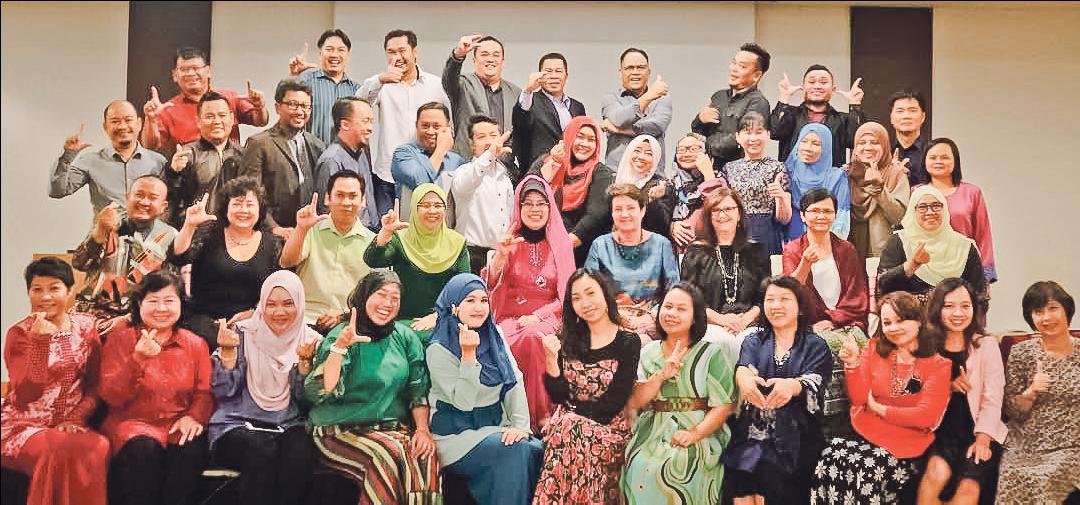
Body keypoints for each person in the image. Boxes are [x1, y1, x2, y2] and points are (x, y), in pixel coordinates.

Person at [303, 271, 440, 504]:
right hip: (337, 430)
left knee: (425, 455)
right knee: (387, 456)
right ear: (364, 296)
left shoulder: (404, 336)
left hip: (388, 429)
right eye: (381, 295)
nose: (388, 303)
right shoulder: (343, 335)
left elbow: (418, 390)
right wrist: (339, 348)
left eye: (395, 298)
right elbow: (323, 389)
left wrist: (422, 430)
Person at [812, 291, 951, 504]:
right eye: (887, 322)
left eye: (900, 320)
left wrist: (880, 409)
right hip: (866, 431)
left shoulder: (939, 365)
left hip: (908, 442)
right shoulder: (874, 348)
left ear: (919, 321)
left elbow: (925, 417)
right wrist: (853, 364)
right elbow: (859, 400)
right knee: (829, 459)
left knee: (868, 471)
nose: (893, 328)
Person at [427, 273, 544, 505]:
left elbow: (514, 380)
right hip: (455, 435)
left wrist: (520, 427)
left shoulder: (494, 334)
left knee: (535, 448)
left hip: (494, 426)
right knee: (515, 450)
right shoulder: (438, 348)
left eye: (483, 300)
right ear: (454, 305)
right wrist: (468, 356)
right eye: (470, 300)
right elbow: (463, 402)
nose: (479, 308)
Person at [99, 270, 212, 505]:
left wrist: (193, 417)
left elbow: (204, 392)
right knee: (144, 452)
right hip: (132, 424)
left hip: (177, 423)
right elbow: (111, 396)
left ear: (181, 304)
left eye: (169, 301)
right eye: (152, 301)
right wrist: (137, 359)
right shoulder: (120, 340)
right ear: (139, 304)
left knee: (190, 449)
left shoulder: (195, 344)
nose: (161, 308)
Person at [1, 258, 109, 505]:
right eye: (37, 289)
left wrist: (76, 418)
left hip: (70, 425)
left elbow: (96, 384)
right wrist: (39, 344)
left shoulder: (85, 326)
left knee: (99, 445)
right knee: (57, 449)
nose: (45, 297)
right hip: (23, 426)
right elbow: (25, 395)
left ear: (70, 292)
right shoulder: (19, 333)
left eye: (54, 288)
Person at [209, 270, 320, 505]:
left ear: (300, 304)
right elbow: (223, 393)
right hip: (236, 424)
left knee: (299, 454)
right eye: (271, 304)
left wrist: (304, 364)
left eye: (288, 304)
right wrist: (227, 354)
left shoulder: (311, 341)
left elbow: (307, 402)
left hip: (288, 423)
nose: (279, 312)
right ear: (261, 304)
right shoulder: (240, 334)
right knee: (262, 450)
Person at [723, 276, 834, 504]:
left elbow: (815, 380)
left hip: (797, 431)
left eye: (784, 299)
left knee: (770, 472)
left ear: (800, 307)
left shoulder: (815, 345)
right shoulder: (754, 340)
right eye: (770, 299)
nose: (776, 305)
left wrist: (793, 386)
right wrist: (743, 379)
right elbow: (744, 368)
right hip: (753, 429)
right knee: (739, 475)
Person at [533, 269, 641, 504]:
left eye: (591, 293)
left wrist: (573, 418)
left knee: (569, 430)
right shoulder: (568, 338)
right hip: (567, 428)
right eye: (576, 298)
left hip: (610, 429)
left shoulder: (628, 341)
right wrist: (551, 359)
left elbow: (616, 399)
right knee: (568, 432)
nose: (585, 303)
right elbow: (558, 395)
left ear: (605, 294)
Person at [623, 283, 735, 505]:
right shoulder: (648, 352)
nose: (672, 313)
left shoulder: (711, 353)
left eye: (681, 309)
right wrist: (660, 376)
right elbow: (635, 401)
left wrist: (695, 433)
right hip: (654, 429)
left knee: (685, 462)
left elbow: (724, 405)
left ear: (695, 317)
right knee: (640, 464)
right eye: (668, 307)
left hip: (701, 429)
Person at [484, 175, 575, 431]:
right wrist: (500, 258)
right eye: (528, 203)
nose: (535, 209)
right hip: (510, 317)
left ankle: (540, 417)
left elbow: (567, 295)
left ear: (550, 207)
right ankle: (510, 417)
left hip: (550, 318)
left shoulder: (561, 244)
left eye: (541, 203)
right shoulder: (509, 242)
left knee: (535, 337)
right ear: (519, 207)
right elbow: (491, 286)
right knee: (505, 339)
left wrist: (539, 316)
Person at [782, 188, 870, 436]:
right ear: (803, 215)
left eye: (827, 211)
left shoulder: (846, 249)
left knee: (864, 348)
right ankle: (830, 420)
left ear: (835, 215)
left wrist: (834, 318)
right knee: (824, 345)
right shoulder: (793, 249)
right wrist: (805, 263)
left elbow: (858, 292)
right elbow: (789, 293)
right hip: (809, 326)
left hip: (846, 321)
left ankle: (862, 415)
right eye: (815, 211)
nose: (821, 216)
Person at [916, 278, 1007, 505]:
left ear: (974, 309)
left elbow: (993, 398)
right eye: (949, 306)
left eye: (965, 306)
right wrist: (947, 387)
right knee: (935, 474)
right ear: (938, 309)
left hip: (978, 431)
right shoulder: (926, 346)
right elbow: (915, 392)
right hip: (940, 432)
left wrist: (983, 439)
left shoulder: (986, 345)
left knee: (968, 489)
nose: (958, 313)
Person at [169, 177, 284, 349]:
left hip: (253, 321)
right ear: (226, 207)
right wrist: (189, 225)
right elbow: (178, 257)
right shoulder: (208, 234)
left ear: (260, 209)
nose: (243, 210)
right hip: (205, 321)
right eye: (237, 204)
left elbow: (276, 288)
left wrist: (255, 313)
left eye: (250, 204)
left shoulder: (271, 243)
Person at [996, 281, 1080, 504]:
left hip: (1073, 443)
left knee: (1050, 476)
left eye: (1053, 308)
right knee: (1016, 475)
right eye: (1038, 311)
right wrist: (1031, 391)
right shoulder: (1021, 352)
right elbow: (1012, 411)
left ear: (1067, 310)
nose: (1046, 318)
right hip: (1028, 443)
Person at [357, 29, 452, 218]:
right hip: (387, 176)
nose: (397, 57)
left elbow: (448, 125)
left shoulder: (435, 85)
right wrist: (380, 80)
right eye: (391, 52)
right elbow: (358, 104)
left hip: (424, 172)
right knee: (386, 230)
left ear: (414, 52)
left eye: (402, 51)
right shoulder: (382, 85)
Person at [363, 183, 470, 334]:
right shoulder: (401, 238)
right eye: (425, 205)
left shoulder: (457, 242)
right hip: (401, 323)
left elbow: (464, 289)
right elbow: (373, 261)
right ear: (415, 208)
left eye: (438, 205)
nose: (432, 211)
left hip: (443, 322)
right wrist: (385, 233)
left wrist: (438, 316)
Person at [71, 174, 177, 323]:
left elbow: (170, 285)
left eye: (152, 198)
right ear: (127, 198)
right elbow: (79, 264)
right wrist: (100, 230)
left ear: (163, 207)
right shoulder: (108, 223)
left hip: (141, 317)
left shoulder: (171, 235)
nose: (144, 202)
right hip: (94, 315)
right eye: (139, 195)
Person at [680, 188, 771, 362]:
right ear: (708, 216)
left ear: (739, 214)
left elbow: (766, 297)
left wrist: (745, 320)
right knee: (721, 340)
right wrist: (722, 320)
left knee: (751, 340)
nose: (722, 215)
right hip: (709, 324)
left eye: (728, 209)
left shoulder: (757, 251)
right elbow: (689, 300)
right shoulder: (695, 253)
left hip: (750, 323)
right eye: (716, 210)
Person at [280, 171, 375, 333]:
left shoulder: (373, 242)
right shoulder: (310, 229)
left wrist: (344, 316)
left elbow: (375, 294)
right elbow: (286, 262)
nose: (346, 202)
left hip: (350, 323)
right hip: (306, 319)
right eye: (340, 195)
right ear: (327, 199)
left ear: (363, 201)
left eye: (353, 196)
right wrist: (301, 229)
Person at [585, 183, 680, 341]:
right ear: (612, 213)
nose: (624, 214)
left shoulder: (661, 244)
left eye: (630, 208)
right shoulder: (600, 245)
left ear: (642, 211)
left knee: (641, 341)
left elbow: (673, 290)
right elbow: (588, 289)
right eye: (618, 209)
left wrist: (651, 316)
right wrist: (614, 314)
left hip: (651, 320)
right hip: (610, 317)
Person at [141, 47, 268, 158]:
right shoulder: (168, 109)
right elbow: (150, 146)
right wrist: (150, 119)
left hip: (231, 169)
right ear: (175, 75)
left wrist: (259, 107)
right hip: (189, 172)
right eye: (184, 69)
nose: (191, 73)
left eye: (195, 68)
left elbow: (261, 121)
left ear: (208, 71)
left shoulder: (229, 98)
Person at [240, 79, 326, 238]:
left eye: (305, 106)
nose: (300, 111)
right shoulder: (259, 143)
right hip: (274, 235)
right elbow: (249, 193)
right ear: (277, 107)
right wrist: (273, 228)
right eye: (293, 105)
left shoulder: (317, 145)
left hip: (311, 233)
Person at [877, 186, 987, 305]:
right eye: (922, 207)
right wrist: (912, 265)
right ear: (913, 211)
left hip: (955, 315)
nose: (930, 212)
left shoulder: (964, 246)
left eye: (936, 206)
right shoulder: (901, 241)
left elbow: (979, 295)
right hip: (911, 315)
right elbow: (883, 285)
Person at [49, 100, 166, 212]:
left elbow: (168, 203)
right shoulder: (90, 161)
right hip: (106, 226)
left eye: (128, 120)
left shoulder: (158, 162)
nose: (122, 126)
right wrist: (68, 155)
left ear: (139, 124)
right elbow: (57, 191)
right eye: (115, 121)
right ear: (105, 127)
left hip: (149, 226)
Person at [533, 116, 614, 265]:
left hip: (580, 253)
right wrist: (553, 163)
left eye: (591, 140)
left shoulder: (601, 173)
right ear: (569, 137)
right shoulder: (547, 161)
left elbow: (596, 215)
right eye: (580, 137)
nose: (585, 144)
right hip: (540, 245)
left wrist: (563, 246)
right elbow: (528, 189)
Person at [917, 138, 998, 283]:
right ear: (924, 161)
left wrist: (986, 276)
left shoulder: (972, 192)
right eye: (933, 157)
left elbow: (983, 235)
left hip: (965, 268)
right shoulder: (916, 192)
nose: (938, 161)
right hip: (926, 270)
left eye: (945, 157)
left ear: (955, 161)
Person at [163, 91, 244, 227]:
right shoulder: (186, 154)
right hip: (196, 230)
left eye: (222, 115)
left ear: (231, 118)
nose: (217, 121)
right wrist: (173, 173)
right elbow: (169, 200)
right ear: (198, 121)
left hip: (236, 230)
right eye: (209, 116)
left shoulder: (243, 154)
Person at [690, 42, 772, 172]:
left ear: (756, 75)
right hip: (707, 167)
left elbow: (741, 140)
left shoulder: (758, 102)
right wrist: (699, 120)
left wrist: (704, 147)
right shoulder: (718, 96)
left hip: (738, 171)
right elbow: (697, 133)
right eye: (734, 63)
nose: (733, 69)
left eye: (742, 66)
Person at [442, 34, 522, 167]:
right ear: (474, 60)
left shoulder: (516, 93)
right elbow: (448, 78)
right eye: (484, 54)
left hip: (503, 167)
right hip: (467, 163)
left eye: (496, 55)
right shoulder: (462, 85)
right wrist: (458, 55)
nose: (490, 59)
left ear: (502, 61)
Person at [450, 114, 515, 274]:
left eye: (493, 135)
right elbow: (463, 185)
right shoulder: (463, 172)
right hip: (471, 255)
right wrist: (489, 155)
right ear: (472, 145)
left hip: (500, 254)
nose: (489, 142)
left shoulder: (505, 176)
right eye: (481, 137)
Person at [722, 111, 791, 254]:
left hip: (767, 233)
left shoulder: (777, 167)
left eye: (759, 132)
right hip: (735, 231)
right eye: (747, 132)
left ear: (768, 134)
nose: (753, 138)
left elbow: (784, 219)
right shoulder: (728, 168)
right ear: (738, 137)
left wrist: (780, 196)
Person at [771, 64, 865, 165]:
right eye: (811, 82)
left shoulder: (842, 119)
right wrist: (784, 97)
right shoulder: (791, 115)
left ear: (833, 90)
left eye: (823, 82)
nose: (817, 86)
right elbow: (775, 132)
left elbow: (856, 141)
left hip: (831, 174)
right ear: (803, 88)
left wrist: (855, 103)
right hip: (792, 174)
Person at [312, 96, 379, 229]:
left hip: (370, 234)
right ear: (345, 124)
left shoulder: (361, 153)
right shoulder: (331, 161)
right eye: (365, 121)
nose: (370, 128)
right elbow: (328, 214)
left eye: (371, 122)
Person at [390, 102, 465, 219]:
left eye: (436, 126)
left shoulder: (457, 161)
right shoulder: (403, 153)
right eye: (425, 126)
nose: (430, 131)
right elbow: (421, 182)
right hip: (410, 228)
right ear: (416, 126)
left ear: (449, 128)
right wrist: (441, 150)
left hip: (447, 228)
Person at [846, 121, 910, 259]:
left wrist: (879, 188)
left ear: (885, 145)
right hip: (850, 251)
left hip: (884, 254)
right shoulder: (846, 174)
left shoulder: (896, 174)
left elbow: (899, 218)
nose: (867, 147)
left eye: (874, 142)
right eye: (861, 143)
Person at [601, 47, 672, 170]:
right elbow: (619, 119)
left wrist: (618, 130)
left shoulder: (662, 98)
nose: (635, 72)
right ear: (621, 72)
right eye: (629, 68)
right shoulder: (610, 98)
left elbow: (656, 128)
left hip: (652, 175)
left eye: (641, 67)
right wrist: (649, 96)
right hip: (616, 174)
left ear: (648, 72)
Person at [512, 52, 587, 169]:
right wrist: (528, 90)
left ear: (566, 76)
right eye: (548, 72)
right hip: (539, 170)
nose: (553, 76)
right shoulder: (530, 101)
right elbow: (520, 122)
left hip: (571, 171)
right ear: (540, 76)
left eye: (558, 71)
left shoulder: (577, 107)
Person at [288, 29, 362, 145]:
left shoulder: (356, 90)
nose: (334, 55)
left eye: (341, 50)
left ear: (348, 54)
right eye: (329, 49)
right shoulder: (306, 81)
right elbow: (288, 106)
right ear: (320, 53)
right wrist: (294, 76)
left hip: (345, 155)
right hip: (312, 154)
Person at [785, 123, 851, 241]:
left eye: (816, 144)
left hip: (825, 244)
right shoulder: (786, 174)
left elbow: (841, 221)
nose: (808, 148)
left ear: (825, 148)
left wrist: (825, 246)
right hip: (788, 244)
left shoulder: (836, 178)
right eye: (804, 141)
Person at [613, 134, 675, 237]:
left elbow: (662, 227)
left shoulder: (661, 185)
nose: (641, 157)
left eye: (649, 154)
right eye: (637, 151)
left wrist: (653, 201)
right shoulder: (613, 181)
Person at [668, 132, 723, 250]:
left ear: (707, 154)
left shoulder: (720, 182)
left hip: (710, 249)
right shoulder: (670, 185)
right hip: (677, 252)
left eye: (693, 149)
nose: (687, 154)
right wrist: (671, 226)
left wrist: (708, 174)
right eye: (681, 150)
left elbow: (720, 209)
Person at [888, 90, 929, 187]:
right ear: (891, 118)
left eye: (913, 110)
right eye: (900, 111)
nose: (906, 116)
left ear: (923, 117)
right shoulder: (884, 151)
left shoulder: (931, 152)